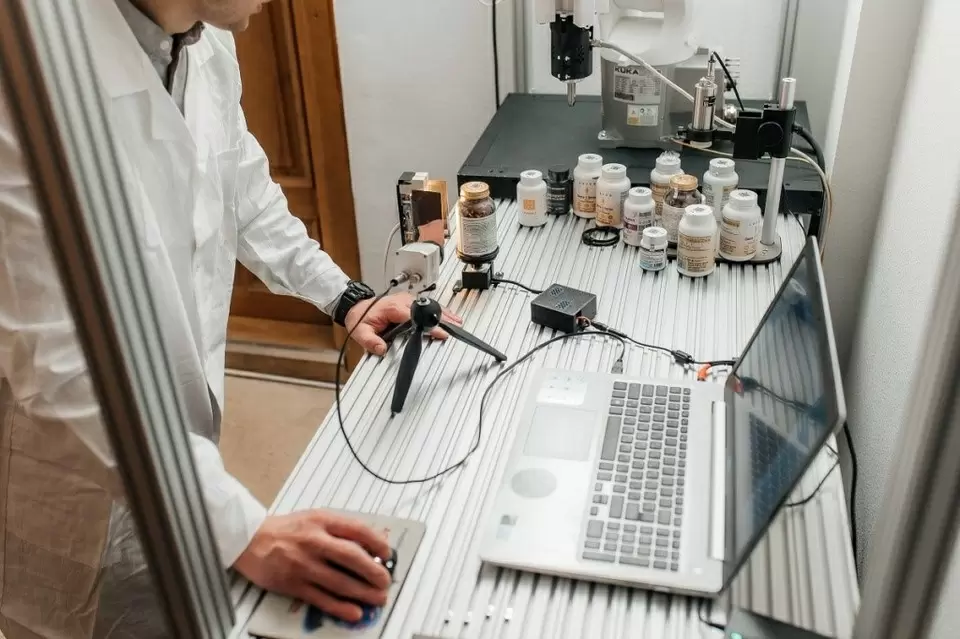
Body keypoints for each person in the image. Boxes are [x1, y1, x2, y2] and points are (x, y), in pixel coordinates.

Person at [0, 0, 461, 636]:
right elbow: (59, 366)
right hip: (77, 470)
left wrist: (344, 296)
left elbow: (242, 188)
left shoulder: (203, 39)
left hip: (180, 449)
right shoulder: (21, 75)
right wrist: (241, 529)